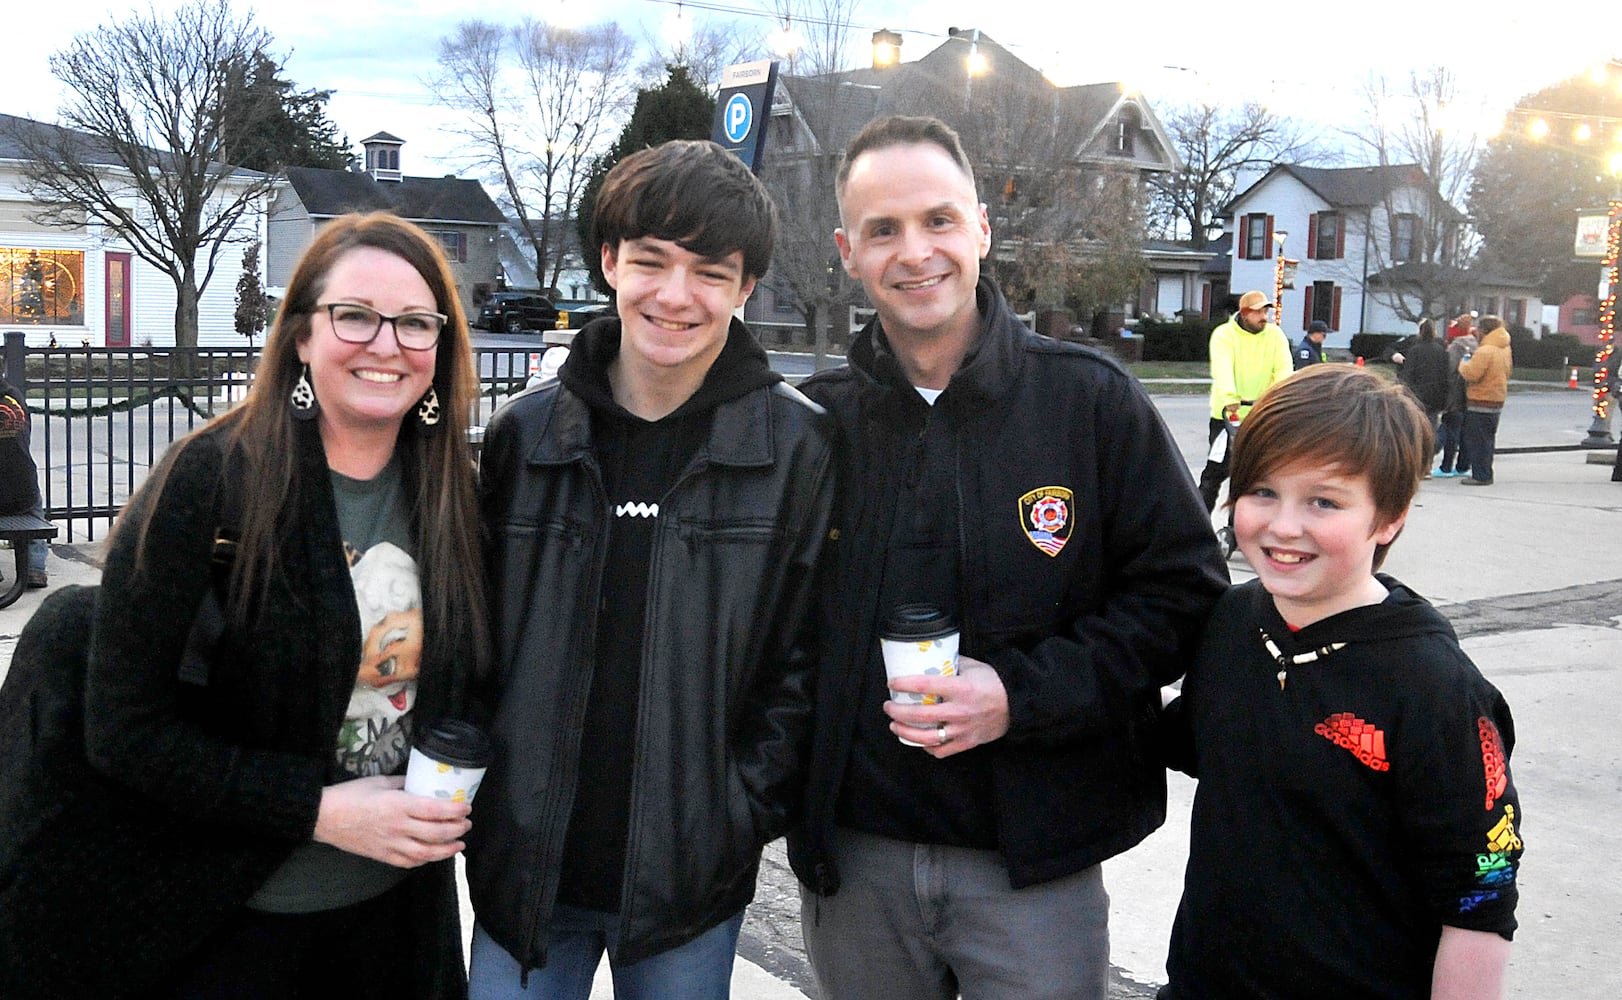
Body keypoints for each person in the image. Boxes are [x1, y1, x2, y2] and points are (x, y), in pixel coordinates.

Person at [788, 114, 1227, 1000]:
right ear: (847, 250)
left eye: (939, 220)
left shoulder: (1090, 402)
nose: (916, 252)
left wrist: (1017, 697)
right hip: (857, 862)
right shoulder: (813, 424)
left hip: (1033, 866)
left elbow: (1182, 599)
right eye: (884, 230)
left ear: (982, 228)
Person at [0, 212, 488, 997]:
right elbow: (123, 729)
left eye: (415, 323)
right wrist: (317, 811)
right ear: (301, 335)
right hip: (226, 923)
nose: (386, 343)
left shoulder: (451, 493)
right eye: (354, 316)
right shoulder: (210, 481)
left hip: (394, 925)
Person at [468, 139, 836, 999]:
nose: (675, 296)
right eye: (651, 262)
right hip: (524, 872)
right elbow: (475, 633)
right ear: (609, 263)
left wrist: (736, 810)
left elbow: (805, 658)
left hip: (685, 884)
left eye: (710, 272)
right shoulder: (526, 437)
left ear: (746, 289)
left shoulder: (800, 447)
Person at [1159, 364, 1523, 997]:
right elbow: (1194, 738)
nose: (1282, 526)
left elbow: (1478, 901)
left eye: (1323, 501)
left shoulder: (1435, 689)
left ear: (1388, 519)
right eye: (1263, 492)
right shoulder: (1232, 619)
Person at [1199, 289, 1293, 512]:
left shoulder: (1275, 336)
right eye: (1258, 312)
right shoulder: (1224, 335)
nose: (1264, 317)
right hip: (1228, 417)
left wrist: (1278, 396)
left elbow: (1283, 368)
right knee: (1216, 471)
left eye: (1266, 312)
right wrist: (1231, 397)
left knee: (1251, 476)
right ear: (1244, 313)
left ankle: (1238, 526)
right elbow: (1222, 369)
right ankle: (1198, 523)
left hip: (1261, 416)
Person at [0, 370, 49, 587]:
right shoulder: (15, 397)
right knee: (33, 506)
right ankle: (35, 568)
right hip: (23, 489)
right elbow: (24, 439)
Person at [1458, 315, 1512, 486]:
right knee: (1488, 439)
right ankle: (1486, 472)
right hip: (1496, 399)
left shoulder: (1485, 350)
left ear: (1483, 330)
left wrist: (1463, 362)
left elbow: (1471, 374)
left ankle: (1480, 475)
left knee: (1477, 440)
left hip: (1480, 400)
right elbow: (1508, 371)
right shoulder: (1505, 348)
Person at [1390, 318, 1449, 459]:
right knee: (1431, 427)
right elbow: (1445, 373)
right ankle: (1428, 459)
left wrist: (1402, 391)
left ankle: (1418, 458)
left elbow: (1408, 375)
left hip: (1417, 395)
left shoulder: (1415, 350)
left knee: (1415, 429)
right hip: (1435, 395)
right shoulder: (1441, 349)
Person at [1436, 324, 1478, 478]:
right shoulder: (1476, 345)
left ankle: (1446, 467)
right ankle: (1463, 466)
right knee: (1466, 432)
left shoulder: (1456, 347)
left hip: (1455, 394)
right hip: (1471, 395)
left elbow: (1450, 370)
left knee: (1450, 429)